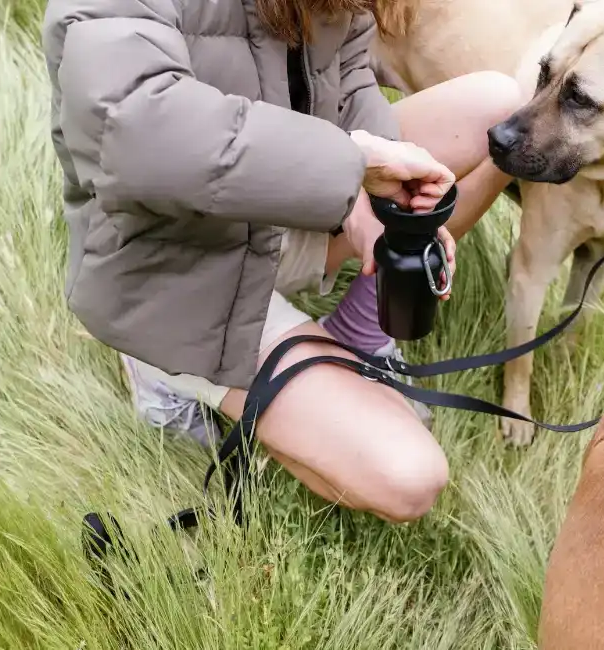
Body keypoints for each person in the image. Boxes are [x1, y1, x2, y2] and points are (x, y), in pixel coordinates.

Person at [41, 0, 522, 523]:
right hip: (175, 266)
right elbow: (133, 129)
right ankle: (159, 371)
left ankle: (357, 333)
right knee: (408, 477)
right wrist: (350, 167)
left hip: (280, 209)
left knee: (496, 107)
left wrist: (379, 210)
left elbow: (350, 80)